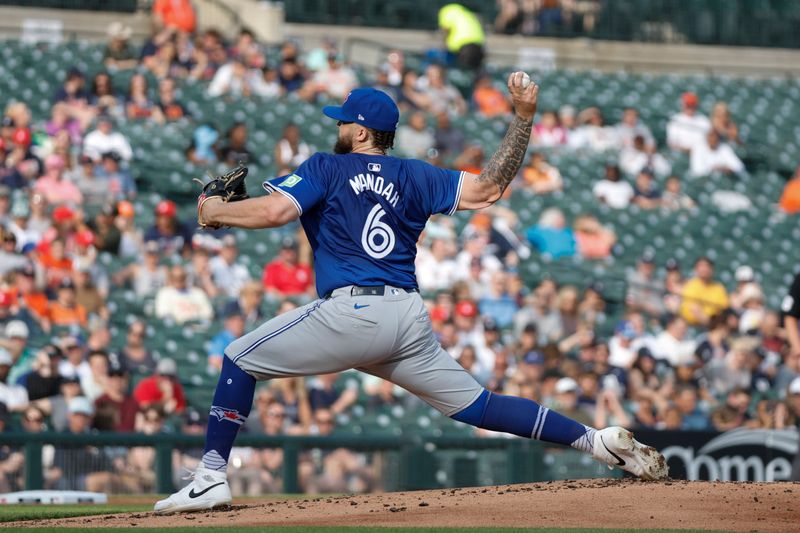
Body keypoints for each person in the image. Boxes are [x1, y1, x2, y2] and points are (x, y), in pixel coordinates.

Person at [155, 75, 666, 514]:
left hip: (354, 311)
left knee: (239, 358)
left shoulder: (326, 167)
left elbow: (272, 213)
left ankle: (210, 476)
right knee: (477, 405)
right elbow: (490, 189)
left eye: (342, 121)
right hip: (406, 316)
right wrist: (524, 118)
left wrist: (211, 211)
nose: (337, 128)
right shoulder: (417, 174)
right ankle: (595, 441)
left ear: (358, 130)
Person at [680, 256, 729, 327]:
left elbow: (723, 309)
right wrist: (710, 322)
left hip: (716, 325)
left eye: (707, 266)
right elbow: (694, 309)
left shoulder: (718, 288)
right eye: (701, 266)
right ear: (696, 269)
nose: (704, 269)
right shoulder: (690, 286)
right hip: (694, 326)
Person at [437, 3, 485, 70]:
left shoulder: (446, 11)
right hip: (478, 44)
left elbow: (446, 29)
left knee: (463, 69)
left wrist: (444, 44)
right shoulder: (464, 12)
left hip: (464, 45)